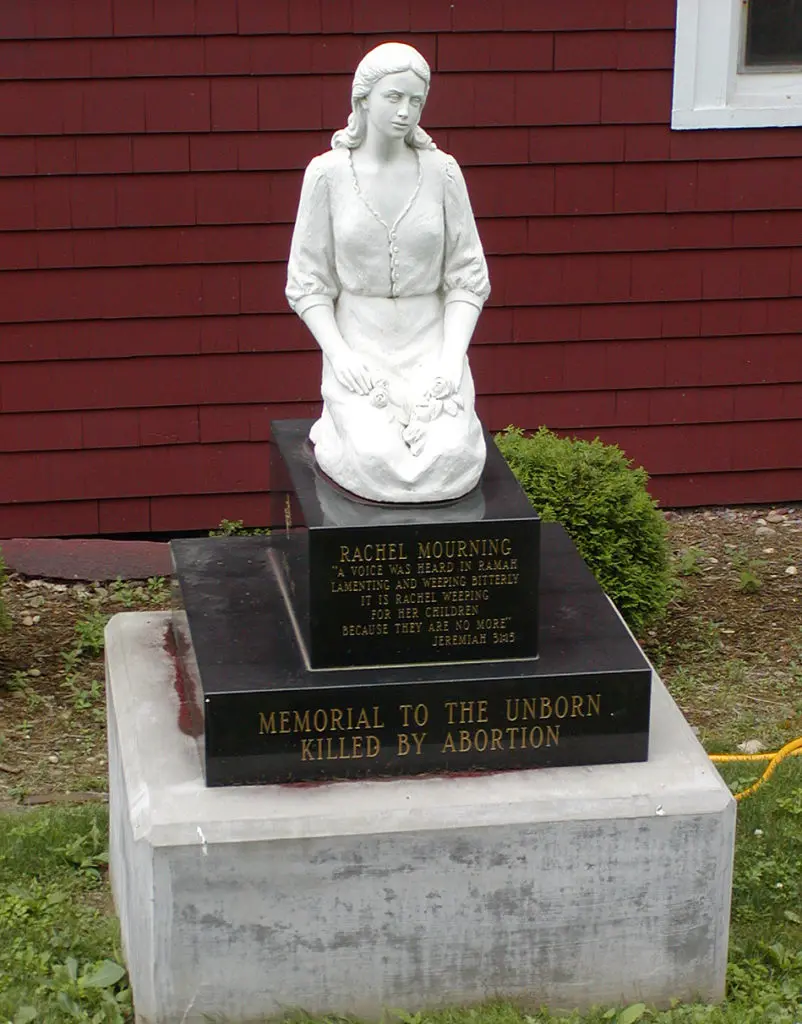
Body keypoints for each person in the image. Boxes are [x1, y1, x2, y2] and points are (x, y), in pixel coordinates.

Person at [286, 42, 490, 503]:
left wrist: (450, 360)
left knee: (452, 457)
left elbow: (467, 276)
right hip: (359, 339)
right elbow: (307, 281)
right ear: (363, 99)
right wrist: (339, 355)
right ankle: (339, 427)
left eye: (416, 100)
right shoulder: (327, 175)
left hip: (431, 340)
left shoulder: (442, 172)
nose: (406, 111)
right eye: (393, 97)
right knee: (377, 458)